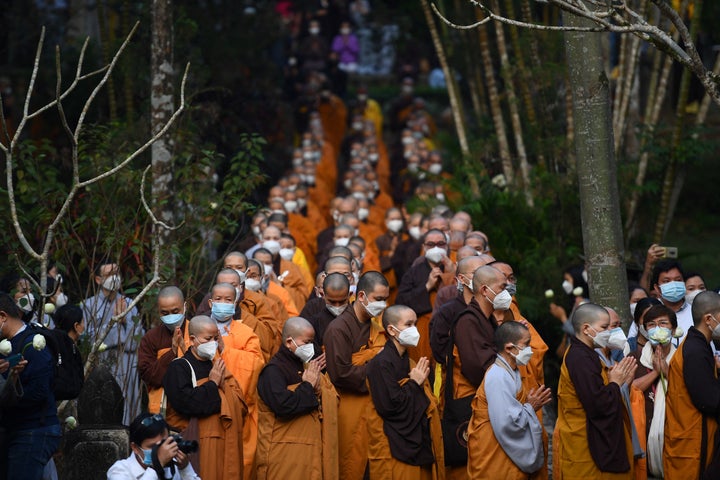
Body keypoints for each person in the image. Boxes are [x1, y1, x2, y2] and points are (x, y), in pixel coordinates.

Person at [554, 303, 636, 479]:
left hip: (589, 442)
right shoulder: (580, 358)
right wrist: (615, 383)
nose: (609, 333)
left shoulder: (585, 353)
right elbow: (597, 405)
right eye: (605, 327)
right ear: (586, 329)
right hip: (588, 447)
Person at [163, 316, 247, 480]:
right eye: (208, 338)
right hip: (200, 442)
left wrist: (221, 386)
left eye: (216, 338)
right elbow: (185, 404)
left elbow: (239, 403)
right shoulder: (179, 367)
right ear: (193, 339)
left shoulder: (216, 365)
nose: (213, 343)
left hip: (225, 441)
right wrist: (213, 384)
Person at [366, 305, 444, 479]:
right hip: (393, 443)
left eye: (415, 324)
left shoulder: (409, 361)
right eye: (408, 324)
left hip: (417, 440)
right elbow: (390, 407)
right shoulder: (380, 364)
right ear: (392, 330)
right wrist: (414, 383)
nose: (414, 330)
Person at [324, 271, 389, 480]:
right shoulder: (338, 329)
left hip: (373, 408)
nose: (382, 305)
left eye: (385, 299)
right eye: (378, 299)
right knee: (350, 464)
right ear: (361, 296)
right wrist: (376, 367)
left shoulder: (375, 326)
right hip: (348, 408)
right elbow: (341, 374)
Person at [256, 317, 338, 480]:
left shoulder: (306, 367)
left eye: (312, 342)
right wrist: (308, 386)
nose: (311, 348)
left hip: (307, 451)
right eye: (306, 342)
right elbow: (283, 405)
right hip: (283, 454)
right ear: (288, 342)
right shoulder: (273, 371)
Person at [466, 322, 551, 479]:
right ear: (509, 348)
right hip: (494, 452)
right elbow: (506, 423)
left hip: (505, 452)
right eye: (525, 345)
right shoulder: (498, 376)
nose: (530, 350)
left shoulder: (511, 371)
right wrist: (531, 407)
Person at [0, 293, 60, 480]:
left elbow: (40, 391)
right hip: (18, 430)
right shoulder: (8, 344)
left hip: (34, 430)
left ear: (3, 316)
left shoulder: (33, 345)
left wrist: (10, 393)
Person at [663, 291, 720, 478]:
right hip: (692, 439)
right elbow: (708, 399)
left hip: (695, 434)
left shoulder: (698, 344)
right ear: (708, 319)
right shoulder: (695, 350)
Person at [82, 261, 143, 425]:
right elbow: (86, 339)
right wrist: (114, 323)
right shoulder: (88, 306)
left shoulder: (129, 304)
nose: (114, 278)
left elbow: (138, 337)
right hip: (103, 362)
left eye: (116, 273)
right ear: (98, 279)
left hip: (126, 361)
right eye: (109, 275)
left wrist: (124, 321)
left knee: (130, 405)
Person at [629, 304, 677, 478]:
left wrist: (667, 372)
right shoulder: (634, 358)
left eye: (663, 323)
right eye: (651, 325)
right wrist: (656, 372)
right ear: (644, 329)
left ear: (674, 329)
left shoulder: (682, 359)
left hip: (673, 435)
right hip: (643, 434)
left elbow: (687, 392)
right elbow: (629, 389)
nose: (657, 328)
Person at [396, 229, 456, 363]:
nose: (436, 248)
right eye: (430, 244)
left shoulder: (455, 269)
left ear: (447, 246)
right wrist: (427, 286)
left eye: (440, 244)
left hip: (449, 330)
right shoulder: (414, 272)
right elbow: (400, 303)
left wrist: (451, 275)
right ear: (423, 247)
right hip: (422, 330)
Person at [138, 286, 189, 414]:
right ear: (158, 311)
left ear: (185, 306)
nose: (171, 316)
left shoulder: (198, 331)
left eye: (175, 311)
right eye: (165, 313)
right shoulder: (151, 338)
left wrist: (184, 349)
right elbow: (148, 375)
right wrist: (172, 352)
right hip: (164, 409)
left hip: (191, 406)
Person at [107, 412, 200, 479]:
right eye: (153, 446)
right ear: (135, 448)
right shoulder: (119, 470)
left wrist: (185, 468)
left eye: (164, 443)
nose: (161, 451)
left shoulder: (172, 467)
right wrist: (157, 467)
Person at [650, 259, 692, 344]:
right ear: (657, 288)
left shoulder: (695, 312)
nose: (674, 285)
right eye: (666, 281)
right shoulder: (648, 312)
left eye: (678, 280)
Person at [307, 272, 351, 349]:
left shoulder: (359, 319)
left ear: (349, 295)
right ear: (322, 295)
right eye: (332, 302)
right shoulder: (314, 324)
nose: (337, 306)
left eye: (342, 301)